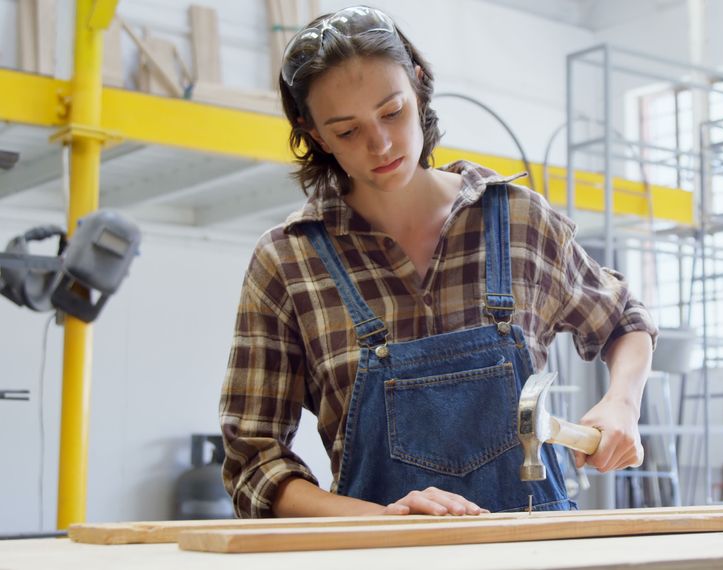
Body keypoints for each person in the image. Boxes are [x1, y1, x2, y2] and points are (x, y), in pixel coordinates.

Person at [219, 5, 657, 518]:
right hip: (382, 560)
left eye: (392, 112)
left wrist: (623, 400)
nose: (379, 144)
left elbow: (624, 320)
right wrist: (383, 521)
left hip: (531, 554)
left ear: (419, 85)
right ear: (315, 134)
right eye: (346, 131)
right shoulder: (288, 262)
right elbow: (254, 464)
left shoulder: (518, 222)